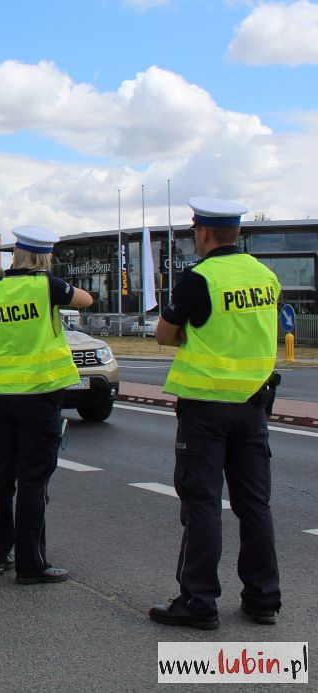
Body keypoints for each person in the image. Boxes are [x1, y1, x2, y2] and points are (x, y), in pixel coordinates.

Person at [149, 197, 282, 630]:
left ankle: (199, 601)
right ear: (237, 233)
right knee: (255, 506)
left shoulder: (199, 277)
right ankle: (263, 599)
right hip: (253, 408)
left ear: (203, 233)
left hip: (205, 409)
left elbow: (165, 335)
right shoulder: (265, 276)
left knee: (202, 504)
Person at [0, 226, 93, 583]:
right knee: (33, 479)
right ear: (45, 257)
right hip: (40, 396)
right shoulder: (47, 287)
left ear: (16, 255)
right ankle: (31, 565)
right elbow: (85, 300)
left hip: (1, 398)